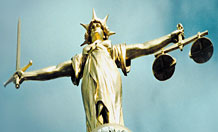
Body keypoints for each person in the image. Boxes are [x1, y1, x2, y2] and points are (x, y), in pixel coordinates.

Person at [15, 9, 183, 132]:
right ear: (87, 35)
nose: (95, 27)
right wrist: (26, 75)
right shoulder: (82, 59)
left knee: (111, 107)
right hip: (89, 80)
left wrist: (170, 37)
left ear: (105, 33)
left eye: (98, 26)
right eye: (92, 26)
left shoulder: (113, 51)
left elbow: (144, 47)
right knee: (95, 112)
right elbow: (55, 70)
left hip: (109, 77)